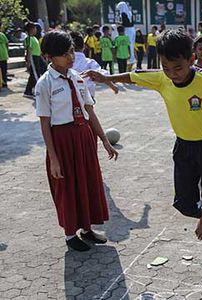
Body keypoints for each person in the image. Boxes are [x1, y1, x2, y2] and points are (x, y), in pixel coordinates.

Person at [83, 29, 202, 241]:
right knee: (184, 205)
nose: (172, 73)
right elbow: (133, 76)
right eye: (166, 67)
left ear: (191, 59)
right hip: (183, 146)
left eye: (178, 67)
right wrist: (106, 77)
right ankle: (201, 214)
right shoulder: (161, 79)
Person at [35, 31, 118, 251]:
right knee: (68, 187)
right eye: (63, 54)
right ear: (48, 57)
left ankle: (87, 229)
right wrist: (53, 157)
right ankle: (70, 235)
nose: (70, 57)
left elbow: (89, 111)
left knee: (89, 182)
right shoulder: (44, 84)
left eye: (71, 51)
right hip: (62, 140)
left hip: (83, 137)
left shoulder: (78, 77)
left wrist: (104, 141)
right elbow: (45, 123)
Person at [70, 31, 118, 98]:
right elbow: (102, 75)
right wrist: (112, 86)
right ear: (84, 46)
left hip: (70, 97)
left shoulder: (64, 63)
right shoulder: (89, 62)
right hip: (88, 97)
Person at [24, 21, 47, 99]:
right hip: (33, 58)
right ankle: (30, 91)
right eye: (34, 28)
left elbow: (37, 49)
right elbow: (29, 49)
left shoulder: (34, 38)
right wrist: (28, 61)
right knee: (35, 75)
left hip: (38, 57)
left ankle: (30, 90)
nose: (36, 30)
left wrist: (42, 57)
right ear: (31, 29)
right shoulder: (29, 38)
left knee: (42, 71)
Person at [0, 22, 9, 89]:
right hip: (4, 55)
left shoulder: (2, 35)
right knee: (3, 70)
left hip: (3, 56)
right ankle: (4, 82)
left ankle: (4, 82)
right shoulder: (2, 34)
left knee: (3, 70)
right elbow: (7, 44)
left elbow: (6, 43)